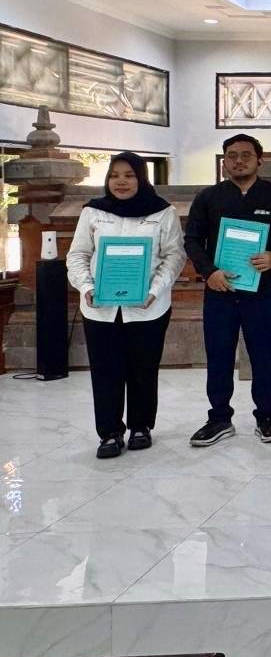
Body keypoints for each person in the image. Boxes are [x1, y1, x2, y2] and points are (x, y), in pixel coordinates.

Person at [66, 152, 185, 459]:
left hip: (148, 307)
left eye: (129, 175)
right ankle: (109, 432)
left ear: (141, 178)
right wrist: (87, 287)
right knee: (105, 371)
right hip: (100, 308)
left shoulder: (163, 212)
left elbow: (174, 256)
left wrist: (154, 291)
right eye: (114, 175)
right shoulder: (93, 212)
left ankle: (141, 426)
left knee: (143, 369)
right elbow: (78, 255)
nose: (121, 181)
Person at [184, 134, 271, 446]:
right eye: (232, 155)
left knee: (264, 355)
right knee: (219, 355)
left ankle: (266, 417)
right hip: (219, 290)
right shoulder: (208, 197)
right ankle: (219, 418)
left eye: (246, 155)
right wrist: (209, 272)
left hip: (260, 291)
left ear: (259, 160)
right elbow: (192, 240)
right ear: (224, 162)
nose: (238, 161)